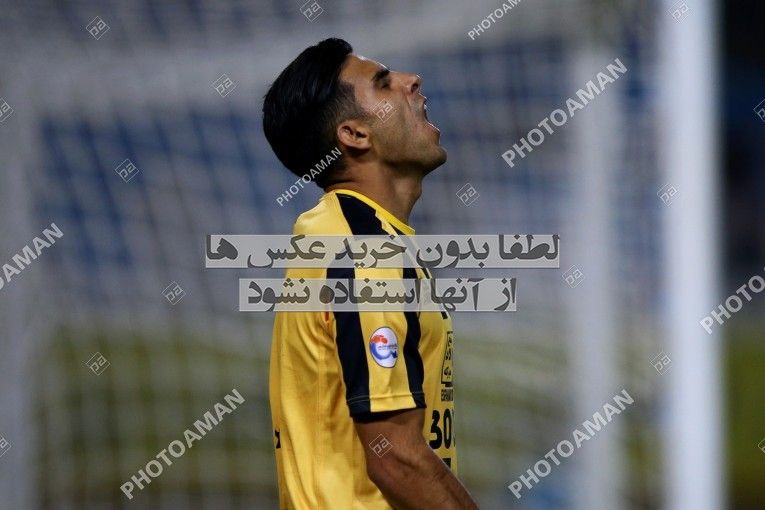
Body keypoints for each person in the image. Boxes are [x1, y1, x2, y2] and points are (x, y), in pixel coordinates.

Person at [263, 37, 478, 509]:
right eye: (383, 84)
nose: (410, 80)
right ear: (355, 135)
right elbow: (394, 457)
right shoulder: (365, 250)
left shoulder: (352, 235)